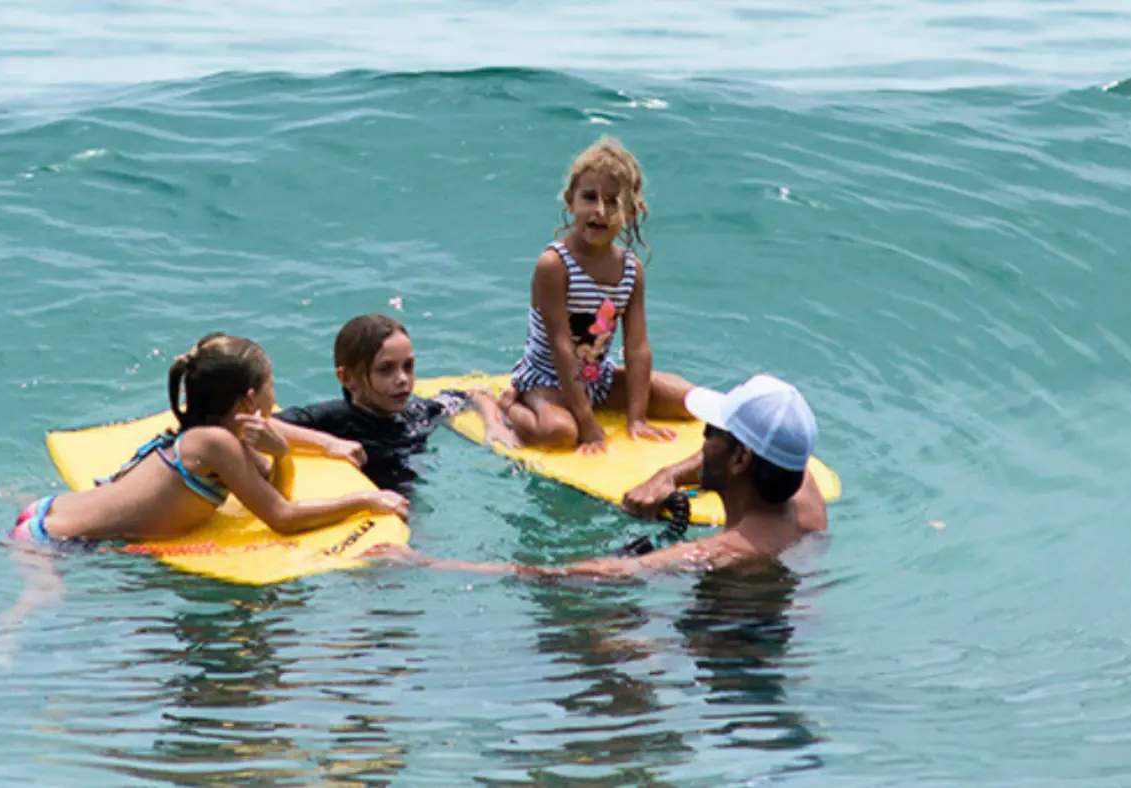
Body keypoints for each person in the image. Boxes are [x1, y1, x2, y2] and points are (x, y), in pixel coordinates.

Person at [366, 373, 826, 577]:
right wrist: (669, 475)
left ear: (742, 460)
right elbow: (781, 452)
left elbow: (586, 573)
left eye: (709, 433)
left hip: (730, 657)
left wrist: (429, 564)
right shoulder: (804, 499)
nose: (700, 443)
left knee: (598, 644)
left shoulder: (724, 555)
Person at [6, 332, 409, 547]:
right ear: (248, 400)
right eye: (271, 385)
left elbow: (271, 493)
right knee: (31, 608)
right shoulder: (215, 444)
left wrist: (291, 453)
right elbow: (282, 518)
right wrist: (366, 499)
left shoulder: (218, 436)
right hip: (53, 538)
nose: (276, 395)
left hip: (52, 510)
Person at [502, 135, 694, 454]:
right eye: (589, 197)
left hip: (596, 379)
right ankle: (507, 405)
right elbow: (562, 348)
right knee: (561, 433)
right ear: (570, 202)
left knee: (686, 401)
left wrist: (637, 418)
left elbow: (636, 347)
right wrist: (587, 424)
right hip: (546, 381)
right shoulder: (554, 265)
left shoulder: (631, 270)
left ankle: (587, 407)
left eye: (613, 201)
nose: (600, 211)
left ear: (632, 211)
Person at [269, 313, 519, 495]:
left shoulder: (416, 415)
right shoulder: (337, 419)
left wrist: (494, 425)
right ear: (346, 378)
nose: (402, 379)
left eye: (408, 366)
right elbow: (261, 424)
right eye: (386, 369)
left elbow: (471, 394)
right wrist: (329, 443)